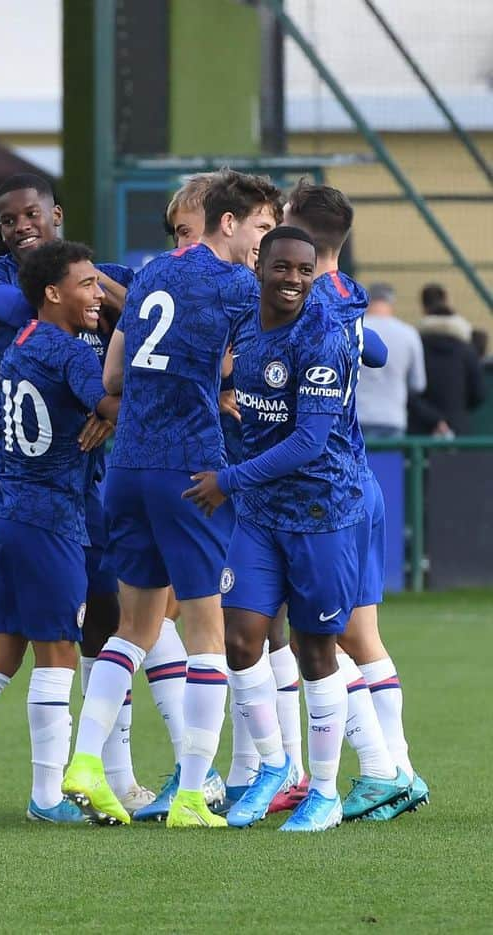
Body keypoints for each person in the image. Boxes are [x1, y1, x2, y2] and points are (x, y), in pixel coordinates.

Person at [0, 174, 157, 817]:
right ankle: (42, 793)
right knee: (39, 643)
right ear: (55, 291)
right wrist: (135, 397)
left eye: (31, 215)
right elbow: (113, 353)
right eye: (8, 219)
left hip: (34, 492)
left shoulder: (29, 344)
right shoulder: (12, 300)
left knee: (22, 644)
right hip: (41, 500)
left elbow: (144, 305)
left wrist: (92, 285)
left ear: (56, 214)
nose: (19, 225)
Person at [62, 169, 281, 828]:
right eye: (259, 229)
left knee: (134, 628)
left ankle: (84, 761)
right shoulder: (240, 284)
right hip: (190, 469)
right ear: (229, 221)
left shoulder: (153, 272)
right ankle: (192, 791)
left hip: (126, 464)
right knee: (206, 631)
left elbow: (112, 374)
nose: (261, 246)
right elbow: (247, 361)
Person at [185, 226, 405, 832]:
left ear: (313, 274)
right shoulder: (245, 325)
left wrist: (228, 479)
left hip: (319, 512)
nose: (293, 280)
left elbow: (310, 442)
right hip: (261, 514)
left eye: (305, 271)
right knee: (241, 639)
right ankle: (277, 768)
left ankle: (327, 793)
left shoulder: (324, 337)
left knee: (315, 651)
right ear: (260, 267)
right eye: (282, 267)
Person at [285, 180, 427, 820]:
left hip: (323, 488)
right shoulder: (348, 294)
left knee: (315, 638)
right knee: (359, 635)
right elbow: (374, 348)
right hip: (357, 478)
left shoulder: (303, 294)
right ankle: (398, 768)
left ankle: (384, 768)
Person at [356, 284, 426, 439]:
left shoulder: (353, 329)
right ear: (392, 302)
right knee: (390, 463)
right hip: (392, 417)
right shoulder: (409, 334)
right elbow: (418, 384)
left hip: (356, 416)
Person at [412, 302, 485, 437]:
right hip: (458, 426)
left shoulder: (417, 347)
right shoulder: (467, 351)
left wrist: (434, 418)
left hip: (420, 429)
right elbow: (478, 394)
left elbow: (411, 391)